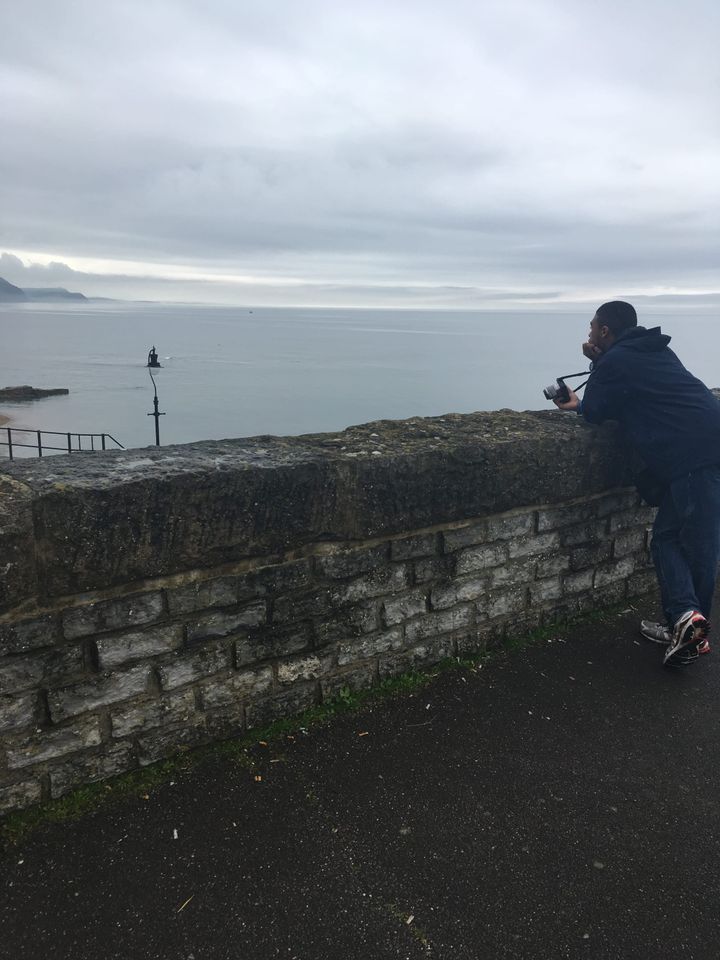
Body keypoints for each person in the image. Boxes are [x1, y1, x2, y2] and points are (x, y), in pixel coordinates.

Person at [554, 300, 720, 666]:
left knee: (693, 544)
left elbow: (595, 409)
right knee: (681, 538)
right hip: (709, 440)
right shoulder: (654, 348)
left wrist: (596, 365)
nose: (589, 334)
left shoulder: (615, 360)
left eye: (592, 328)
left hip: (693, 454)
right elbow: (627, 396)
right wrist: (601, 363)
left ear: (605, 331)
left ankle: (689, 625)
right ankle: (686, 626)